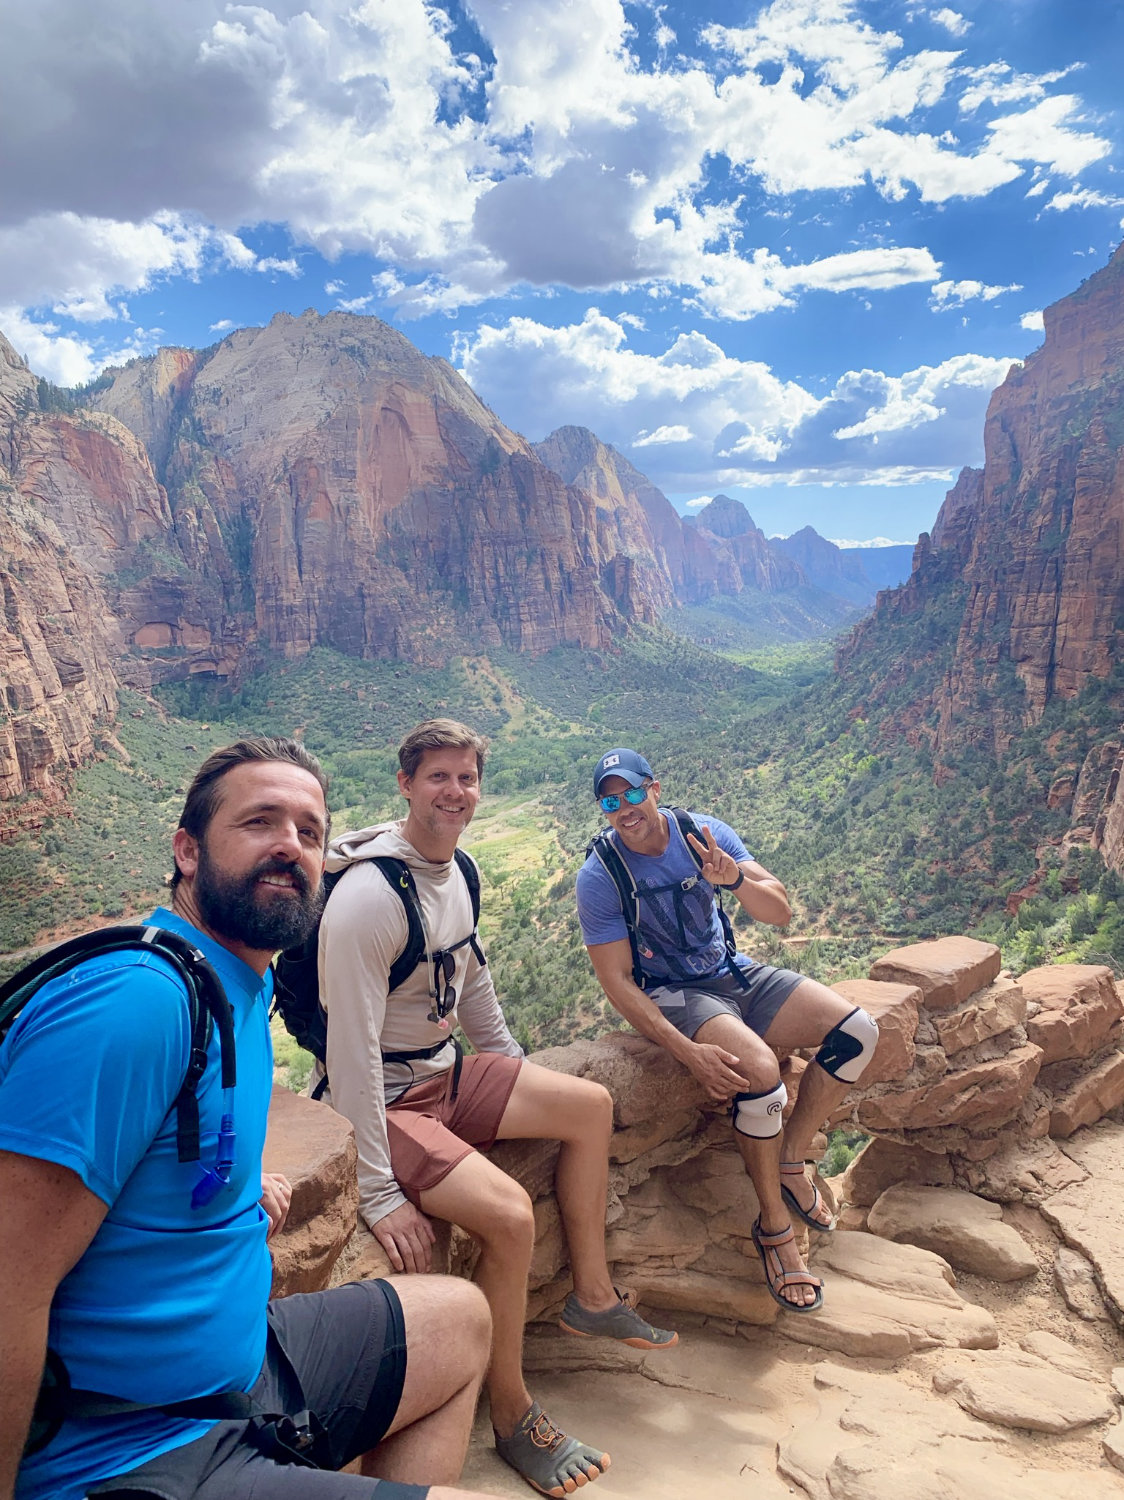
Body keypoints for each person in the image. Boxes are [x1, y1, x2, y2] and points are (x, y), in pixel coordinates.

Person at [0, 736, 499, 1500]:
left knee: (459, 1320)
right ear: (188, 851)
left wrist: (230, 1191)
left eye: (309, 831)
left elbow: (163, 1153)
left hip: (237, 1374)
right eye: (259, 821)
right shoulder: (135, 1004)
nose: (289, 846)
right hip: (125, 1448)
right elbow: (8, 1285)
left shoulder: (238, 984)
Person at [318, 720, 678, 1499]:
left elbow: (470, 977)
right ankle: (512, 1416)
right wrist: (379, 1194)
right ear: (406, 783)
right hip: (385, 1100)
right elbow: (348, 1054)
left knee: (587, 1105)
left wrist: (514, 1070)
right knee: (511, 1217)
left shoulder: (460, 870)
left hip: (449, 1074)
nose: (455, 792)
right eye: (438, 777)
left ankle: (592, 1299)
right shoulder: (367, 902)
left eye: (467, 778)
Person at [575, 748, 879, 1314]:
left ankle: (790, 1158)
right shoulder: (601, 876)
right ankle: (773, 1223)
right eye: (611, 801)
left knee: (858, 1032)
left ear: (655, 788)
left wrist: (732, 877)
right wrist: (684, 1049)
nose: (625, 808)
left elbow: (780, 911)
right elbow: (617, 982)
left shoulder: (704, 835)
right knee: (761, 1074)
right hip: (678, 994)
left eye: (633, 793)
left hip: (734, 973)